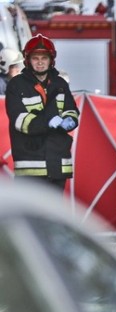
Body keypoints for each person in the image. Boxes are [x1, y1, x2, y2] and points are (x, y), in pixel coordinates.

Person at [4, 34, 79, 193]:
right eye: (35, 58)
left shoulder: (60, 84)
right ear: (27, 60)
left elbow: (71, 110)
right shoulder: (16, 85)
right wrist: (48, 122)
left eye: (44, 58)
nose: (39, 62)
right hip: (30, 166)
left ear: (51, 60)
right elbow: (20, 121)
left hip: (58, 164)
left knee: (53, 215)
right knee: (28, 215)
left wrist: (70, 120)